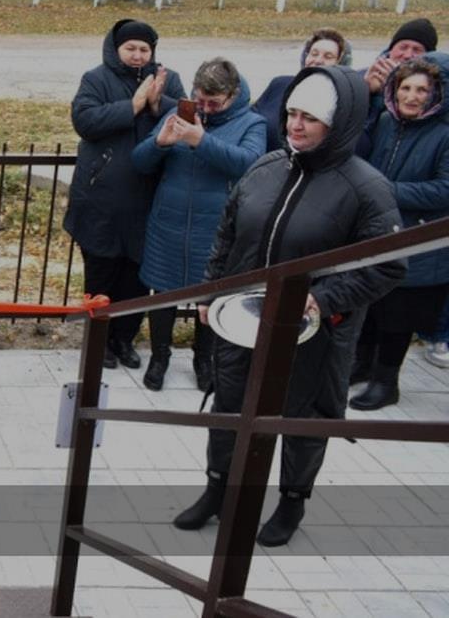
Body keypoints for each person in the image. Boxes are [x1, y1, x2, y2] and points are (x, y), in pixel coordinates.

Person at [173, 66, 404, 547]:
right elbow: (228, 235)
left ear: (339, 123)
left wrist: (323, 298)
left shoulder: (366, 188)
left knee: (305, 418)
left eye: (310, 118)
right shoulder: (267, 167)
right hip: (243, 322)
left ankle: (292, 502)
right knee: (229, 406)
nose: (295, 125)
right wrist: (211, 291)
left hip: (315, 331)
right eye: (292, 113)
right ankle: (218, 489)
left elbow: (386, 266)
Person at [132, 58, 267, 392]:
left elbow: (250, 165)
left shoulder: (252, 123)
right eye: (200, 99)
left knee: (210, 294)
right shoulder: (178, 113)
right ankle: (159, 357)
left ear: (233, 95)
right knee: (163, 291)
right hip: (169, 222)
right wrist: (159, 143)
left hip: (216, 228)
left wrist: (200, 140)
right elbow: (140, 162)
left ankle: (203, 359)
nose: (205, 108)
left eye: (214, 103)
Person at [63, 19, 185, 369]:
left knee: (136, 276)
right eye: (130, 48)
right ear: (115, 48)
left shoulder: (168, 79)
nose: (137, 55)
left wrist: (159, 103)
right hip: (101, 199)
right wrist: (133, 105)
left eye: (144, 49)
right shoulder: (96, 79)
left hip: (147, 200)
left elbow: (185, 116)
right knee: (101, 272)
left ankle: (124, 338)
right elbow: (85, 121)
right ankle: (98, 338)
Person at [349, 53, 449, 411]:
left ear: (436, 95)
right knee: (371, 306)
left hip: (417, 241)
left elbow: (444, 189)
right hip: (378, 233)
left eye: (421, 90)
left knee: (399, 316)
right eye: (405, 88)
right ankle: (361, 366)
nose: (411, 96)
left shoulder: (444, 134)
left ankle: (385, 381)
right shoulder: (386, 122)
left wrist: (387, 191)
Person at [252, 27, 351, 153]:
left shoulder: (343, 101)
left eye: (328, 56)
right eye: (314, 54)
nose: (318, 60)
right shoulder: (279, 85)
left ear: (341, 63)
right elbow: (250, 119)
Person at [363, 18, 438, 97]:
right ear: (391, 50)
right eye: (403, 47)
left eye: (416, 50)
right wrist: (366, 90)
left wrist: (394, 85)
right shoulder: (363, 76)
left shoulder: (435, 87)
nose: (408, 55)